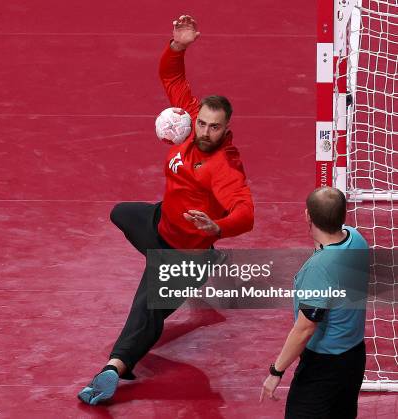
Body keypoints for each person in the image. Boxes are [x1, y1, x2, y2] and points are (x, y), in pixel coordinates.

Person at [77, 14, 255, 405]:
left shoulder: (223, 166)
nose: (205, 132)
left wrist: (216, 226)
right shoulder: (192, 124)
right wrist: (178, 47)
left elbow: (246, 211)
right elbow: (173, 80)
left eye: (214, 128)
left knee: (145, 314)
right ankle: (168, 260)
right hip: (160, 224)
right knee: (121, 213)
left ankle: (112, 370)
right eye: (202, 124)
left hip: (185, 255)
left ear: (226, 129)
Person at [260, 187, 369, 419]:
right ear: (343, 216)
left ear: (307, 216)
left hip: (324, 366)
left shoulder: (319, 268)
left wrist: (276, 370)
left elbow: (305, 328)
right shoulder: (356, 238)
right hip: (355, 356)